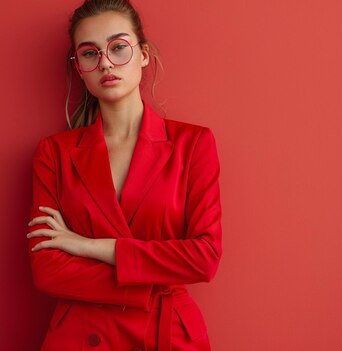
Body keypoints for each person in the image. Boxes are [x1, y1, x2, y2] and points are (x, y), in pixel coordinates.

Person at [26, 0, 222, 350]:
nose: (105, 63)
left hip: (167, 335)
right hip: (82, 335)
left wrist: (88, 246)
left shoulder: (193, 143)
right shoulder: (53, 153)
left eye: (118, 47)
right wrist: (150, 279)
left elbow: (205, 257)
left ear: (143, 54)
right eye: (89, 53)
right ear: (79, 67)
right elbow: (47, 268)